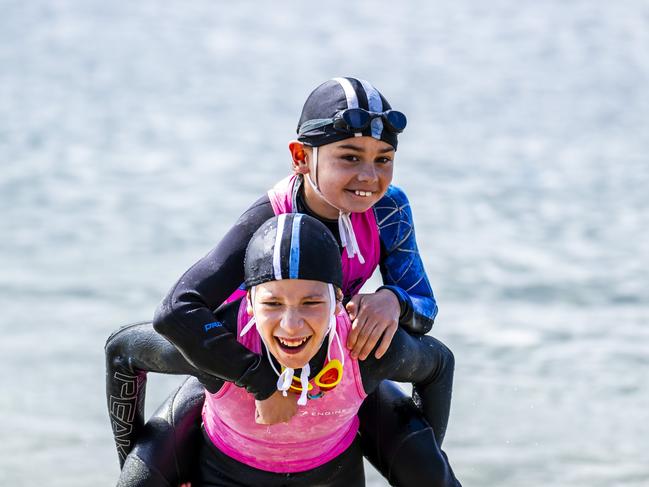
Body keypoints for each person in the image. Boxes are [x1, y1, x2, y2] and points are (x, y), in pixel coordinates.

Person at [106, 214, 459, 486]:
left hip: (331, 475)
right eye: (272, 304)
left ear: (338, 299)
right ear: (250, 302)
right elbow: (122, 351)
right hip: (226, 473)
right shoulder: (221, 343)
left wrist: (427, 452)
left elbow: (440, 365)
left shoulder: (362, 347)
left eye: (310, 302)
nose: (291, 325)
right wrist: (134, 461)